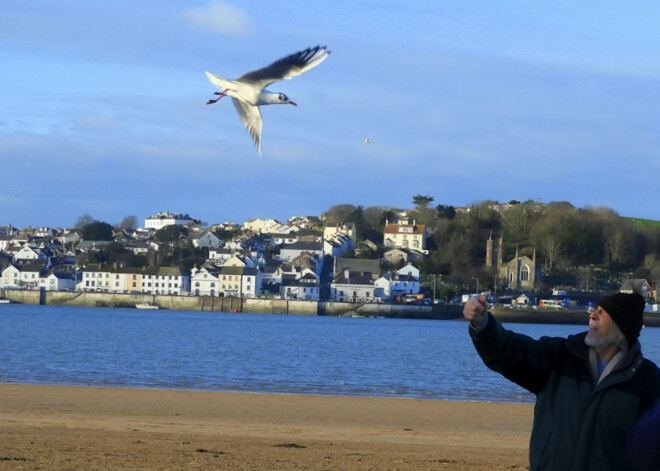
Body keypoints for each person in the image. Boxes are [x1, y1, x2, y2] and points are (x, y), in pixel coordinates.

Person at [463, 292, 660, 471]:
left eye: (603, 312)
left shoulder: (647, 380)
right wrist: (483, 325)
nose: (592, 315)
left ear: (621, 329)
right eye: (594, 310)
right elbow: (509, 351)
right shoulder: (559, 356)